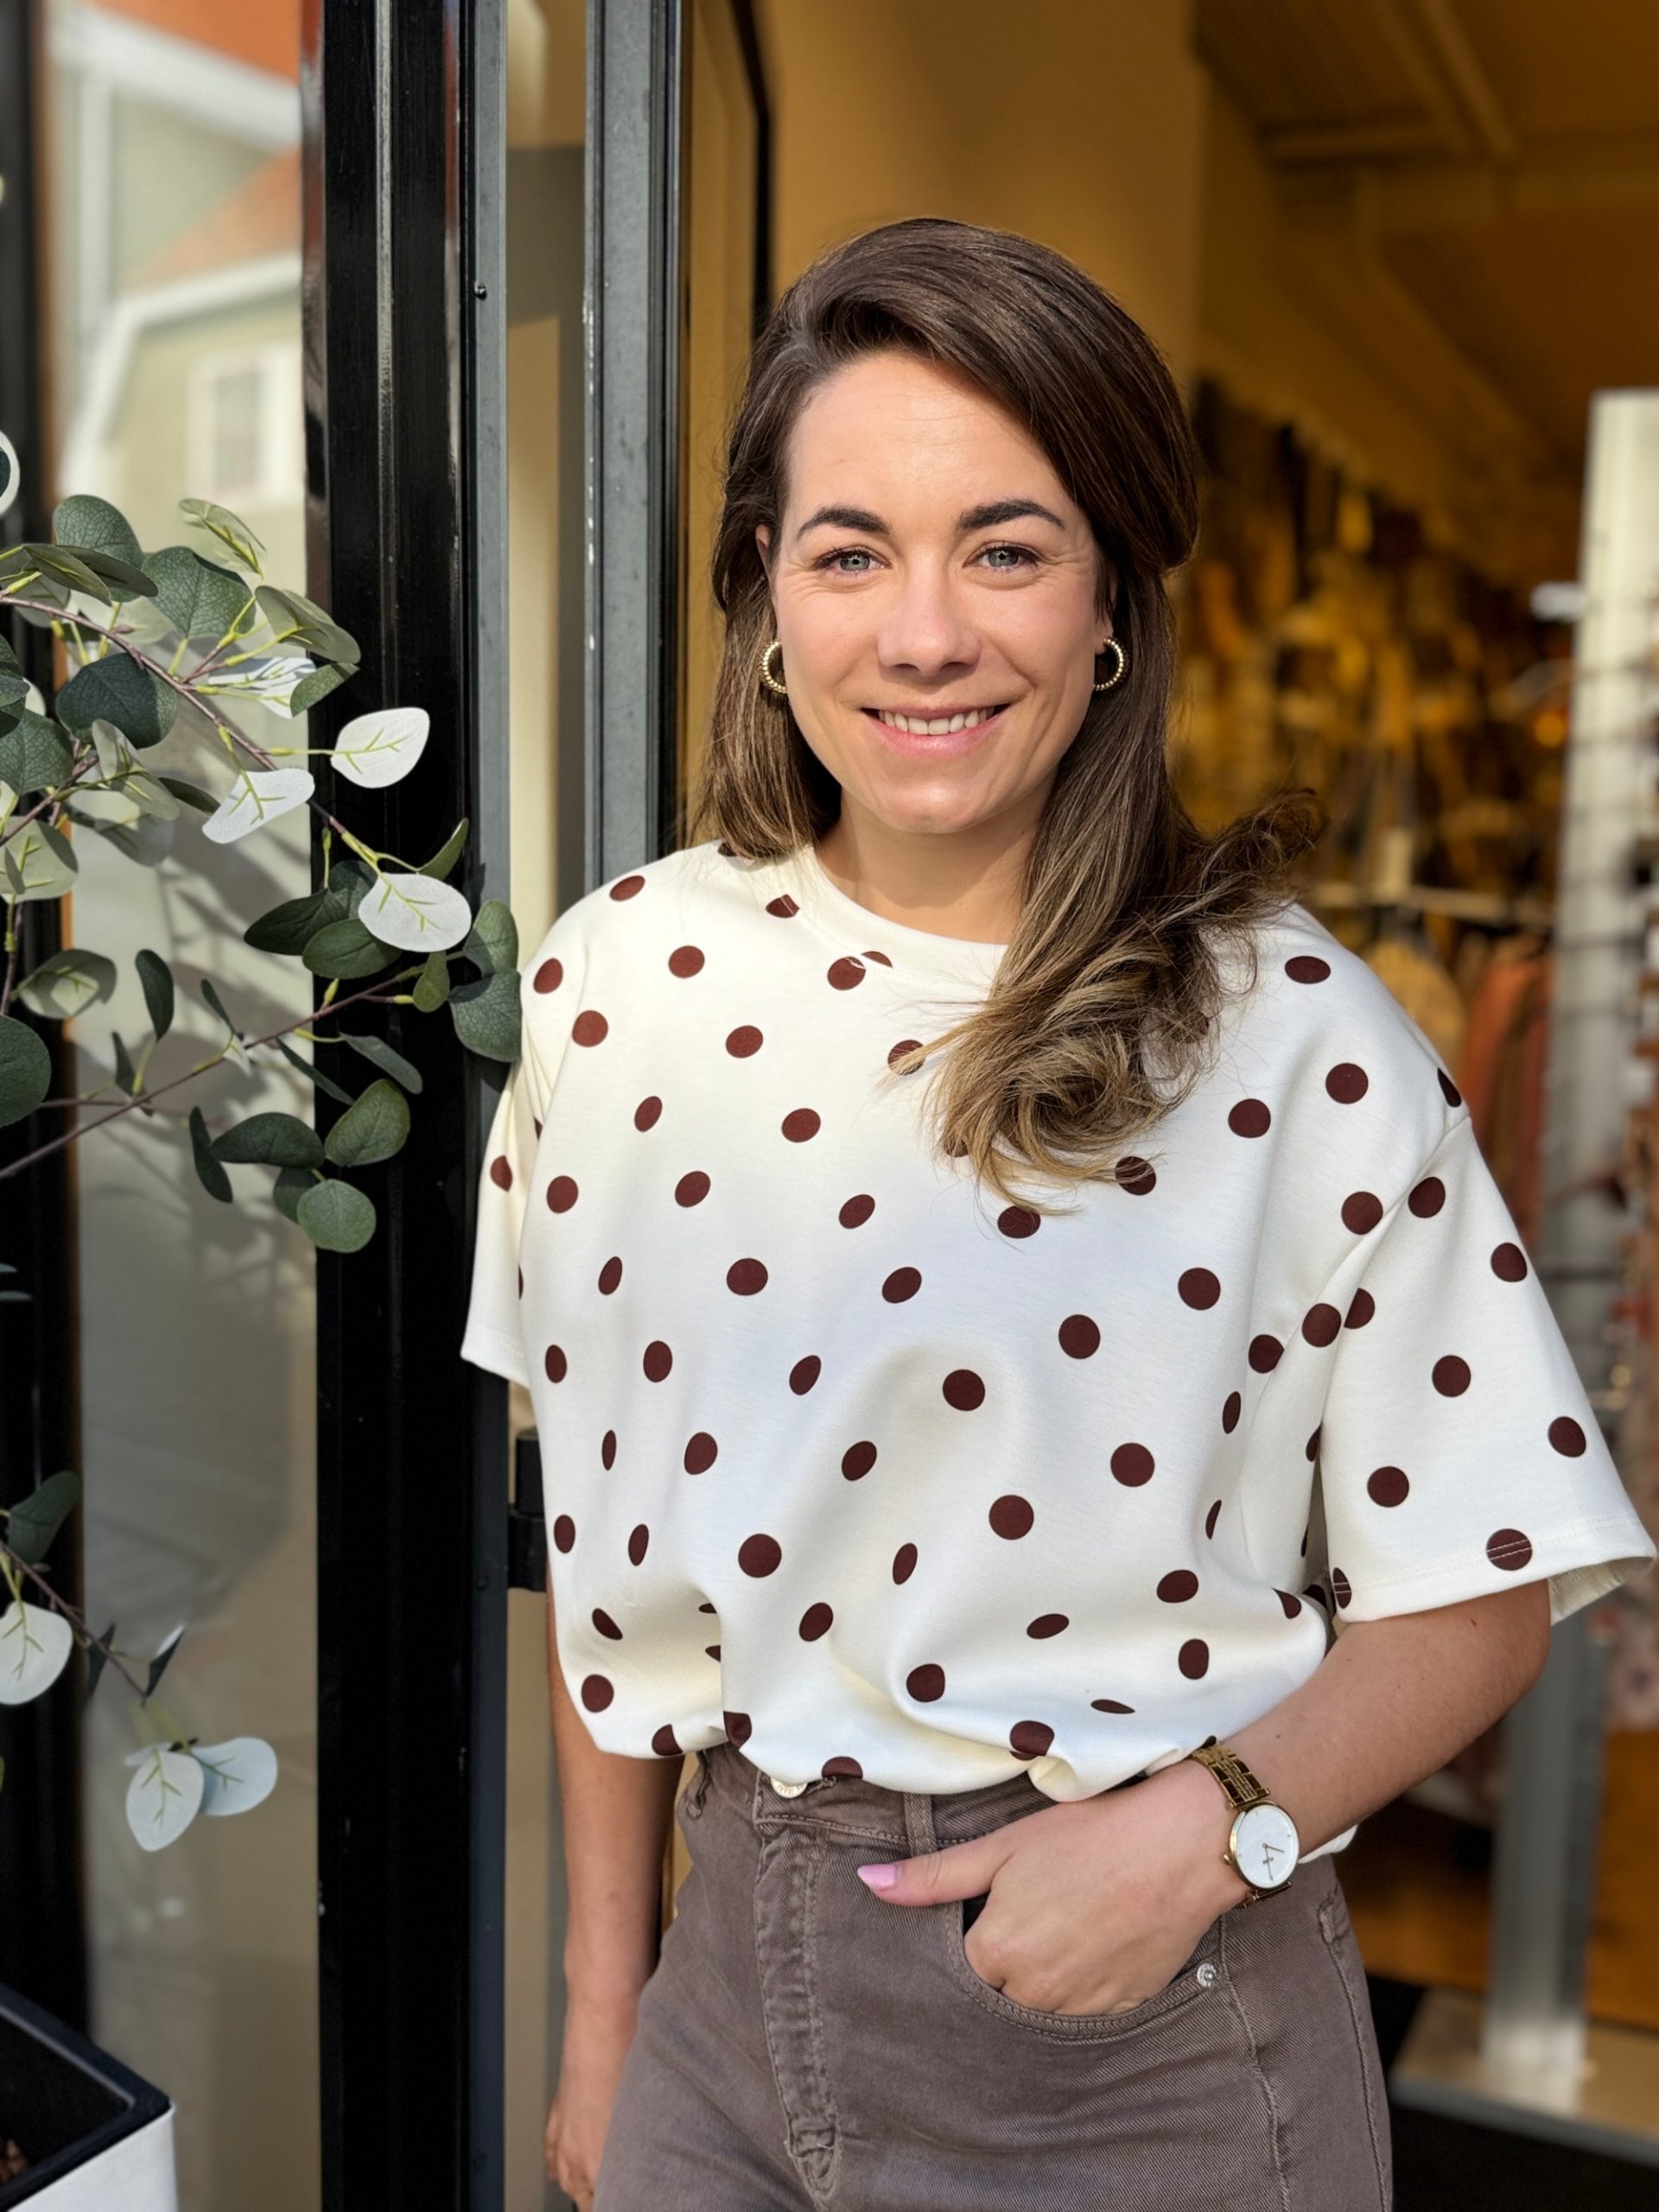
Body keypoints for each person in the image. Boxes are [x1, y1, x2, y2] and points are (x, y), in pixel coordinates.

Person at [460, 218, 1655, 2211]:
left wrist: (1208, 1833)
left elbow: (1484, 1587)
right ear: (766, 589)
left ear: (1110, 598)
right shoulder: (618, 981)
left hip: (1136, 2029)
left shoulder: (1291, 1032)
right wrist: (603, 2013)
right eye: (851, 551)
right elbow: (605, 1568)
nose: (925, 632)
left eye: (1005, 549)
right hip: (720, 1999)